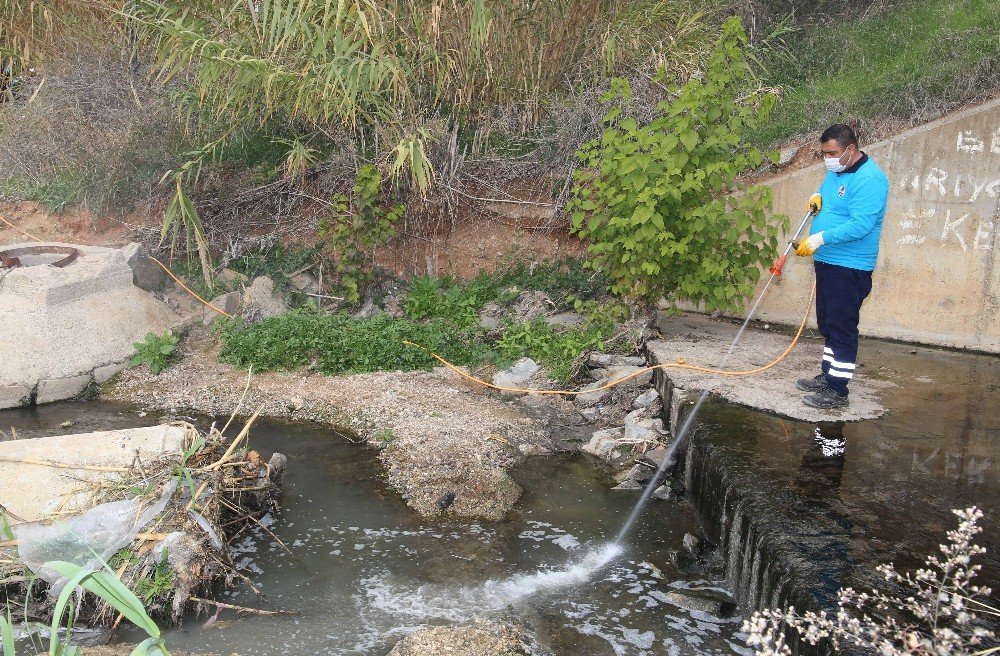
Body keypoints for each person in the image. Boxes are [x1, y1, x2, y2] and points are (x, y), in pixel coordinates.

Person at [794, 124, 889, 409]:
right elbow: (830, 194)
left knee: (843, 328)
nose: (827, 159)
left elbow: (861, 225)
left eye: (832, 153)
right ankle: (828, 375)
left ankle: (838, 390)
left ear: (850, 149)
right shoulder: (837, 171)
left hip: (849, 267)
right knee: (829, 324)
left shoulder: (870, 179)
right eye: (823, 153)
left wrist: (821, 237)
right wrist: (817, 196)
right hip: (828, 263)